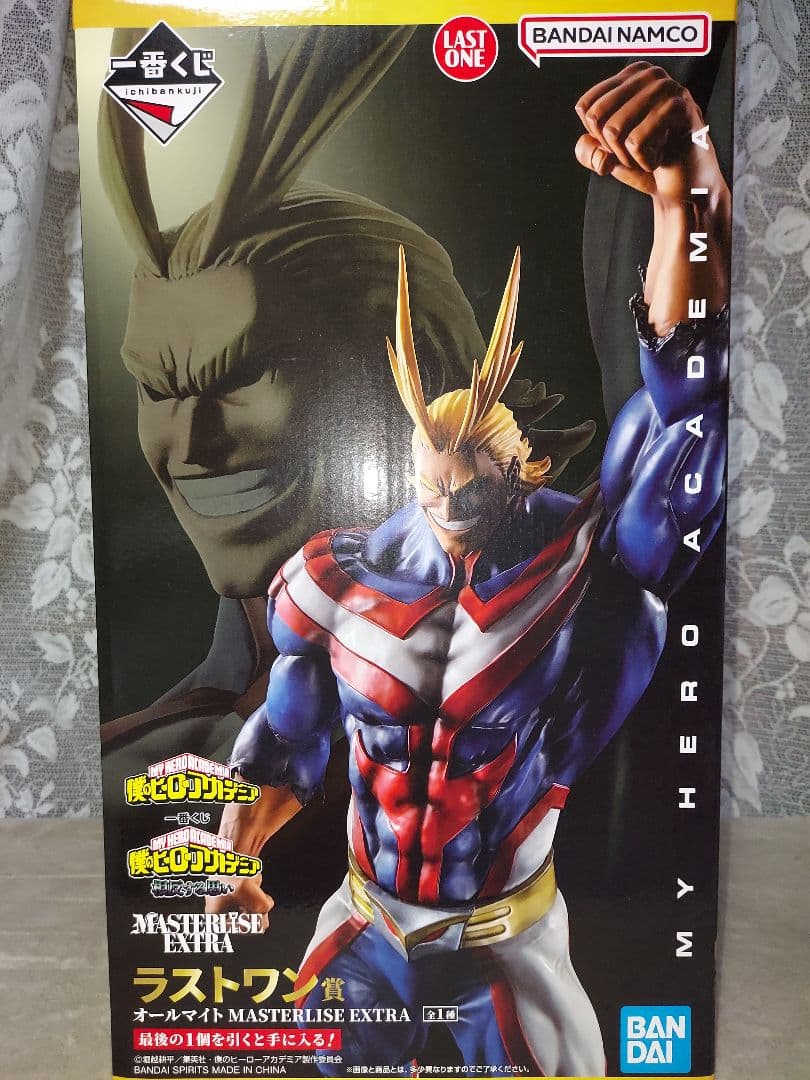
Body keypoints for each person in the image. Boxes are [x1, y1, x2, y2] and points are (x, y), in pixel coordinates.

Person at [208, 63, 730, 1076]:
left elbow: (694, 406)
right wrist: (234, 855)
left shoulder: (587, 564)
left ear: (520, 465)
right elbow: (286, 737)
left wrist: (689, 201)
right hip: (365, 930)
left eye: (471, 484)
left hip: (506, 944)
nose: (448, 508)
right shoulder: (336, 580)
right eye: (430, 486)